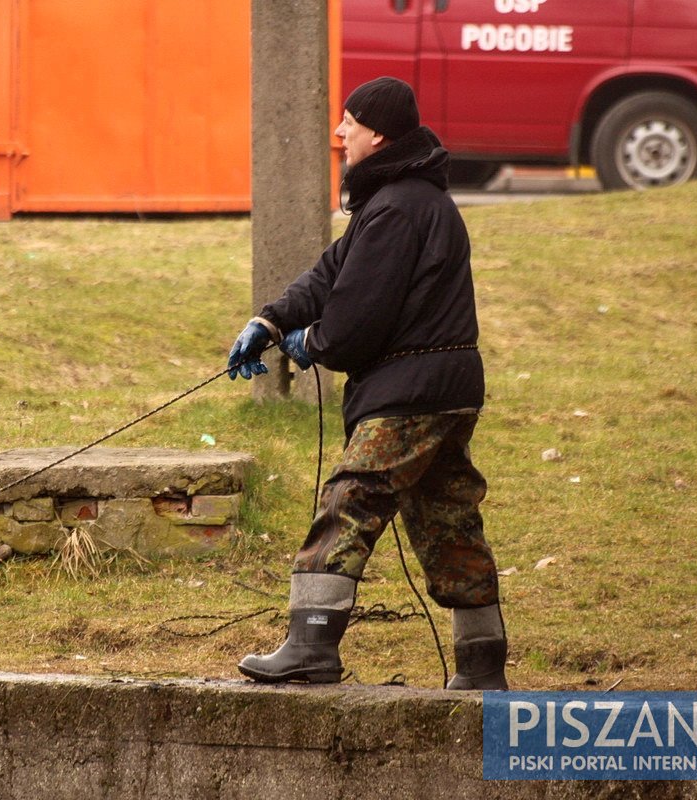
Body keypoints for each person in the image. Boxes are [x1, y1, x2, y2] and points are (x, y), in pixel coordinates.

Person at [226, 76, 507, 690]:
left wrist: (313, 345)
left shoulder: (398, 209)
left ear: (378, 134)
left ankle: (310, 646)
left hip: (410, 392)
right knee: (448, 521)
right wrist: (270, 321)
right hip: (449, 387)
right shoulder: (399, 201)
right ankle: (483, 668)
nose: (339, 131)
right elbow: (333, 273)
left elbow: (356, 319)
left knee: (350, 499)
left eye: (349, 121)